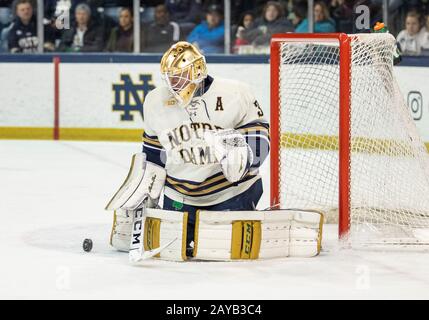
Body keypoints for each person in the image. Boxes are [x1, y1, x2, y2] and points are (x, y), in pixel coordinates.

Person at [109, 41, 270, 257]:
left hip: (230, 192)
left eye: (178, 76)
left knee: (221, 252)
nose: (172, 84)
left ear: (197, 71)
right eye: (169, 77)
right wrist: (145, 193)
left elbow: (260, 141)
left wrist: (243, 158)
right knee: (176, 251)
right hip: (180, 196)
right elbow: (153, 155)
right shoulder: (155, 101)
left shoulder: (236, 93)